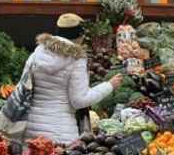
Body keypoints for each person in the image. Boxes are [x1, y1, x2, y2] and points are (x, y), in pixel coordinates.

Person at [17, 14, 122, 144]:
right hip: (60, 132)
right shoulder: (76, 58)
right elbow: (79, 101)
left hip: (31, 128)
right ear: (80, 36)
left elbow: (22, 88)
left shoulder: (37, 53)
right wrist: (109, 85)